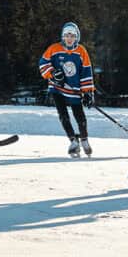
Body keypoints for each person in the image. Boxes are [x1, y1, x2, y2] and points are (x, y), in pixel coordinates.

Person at [39, 22, 96, 157]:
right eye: (66, 35)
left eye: (72, 36)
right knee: (63, 115)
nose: (69, 38)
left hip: (75, 89)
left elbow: (86, 71)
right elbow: (43, 63)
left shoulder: (81, 51)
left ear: (76, 37)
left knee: (79, 116)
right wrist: (52, 73)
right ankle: (73, 141)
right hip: (58, 88)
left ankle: (84, 139)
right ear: (63, 37)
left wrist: (88, 92)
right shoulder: (54, 49)